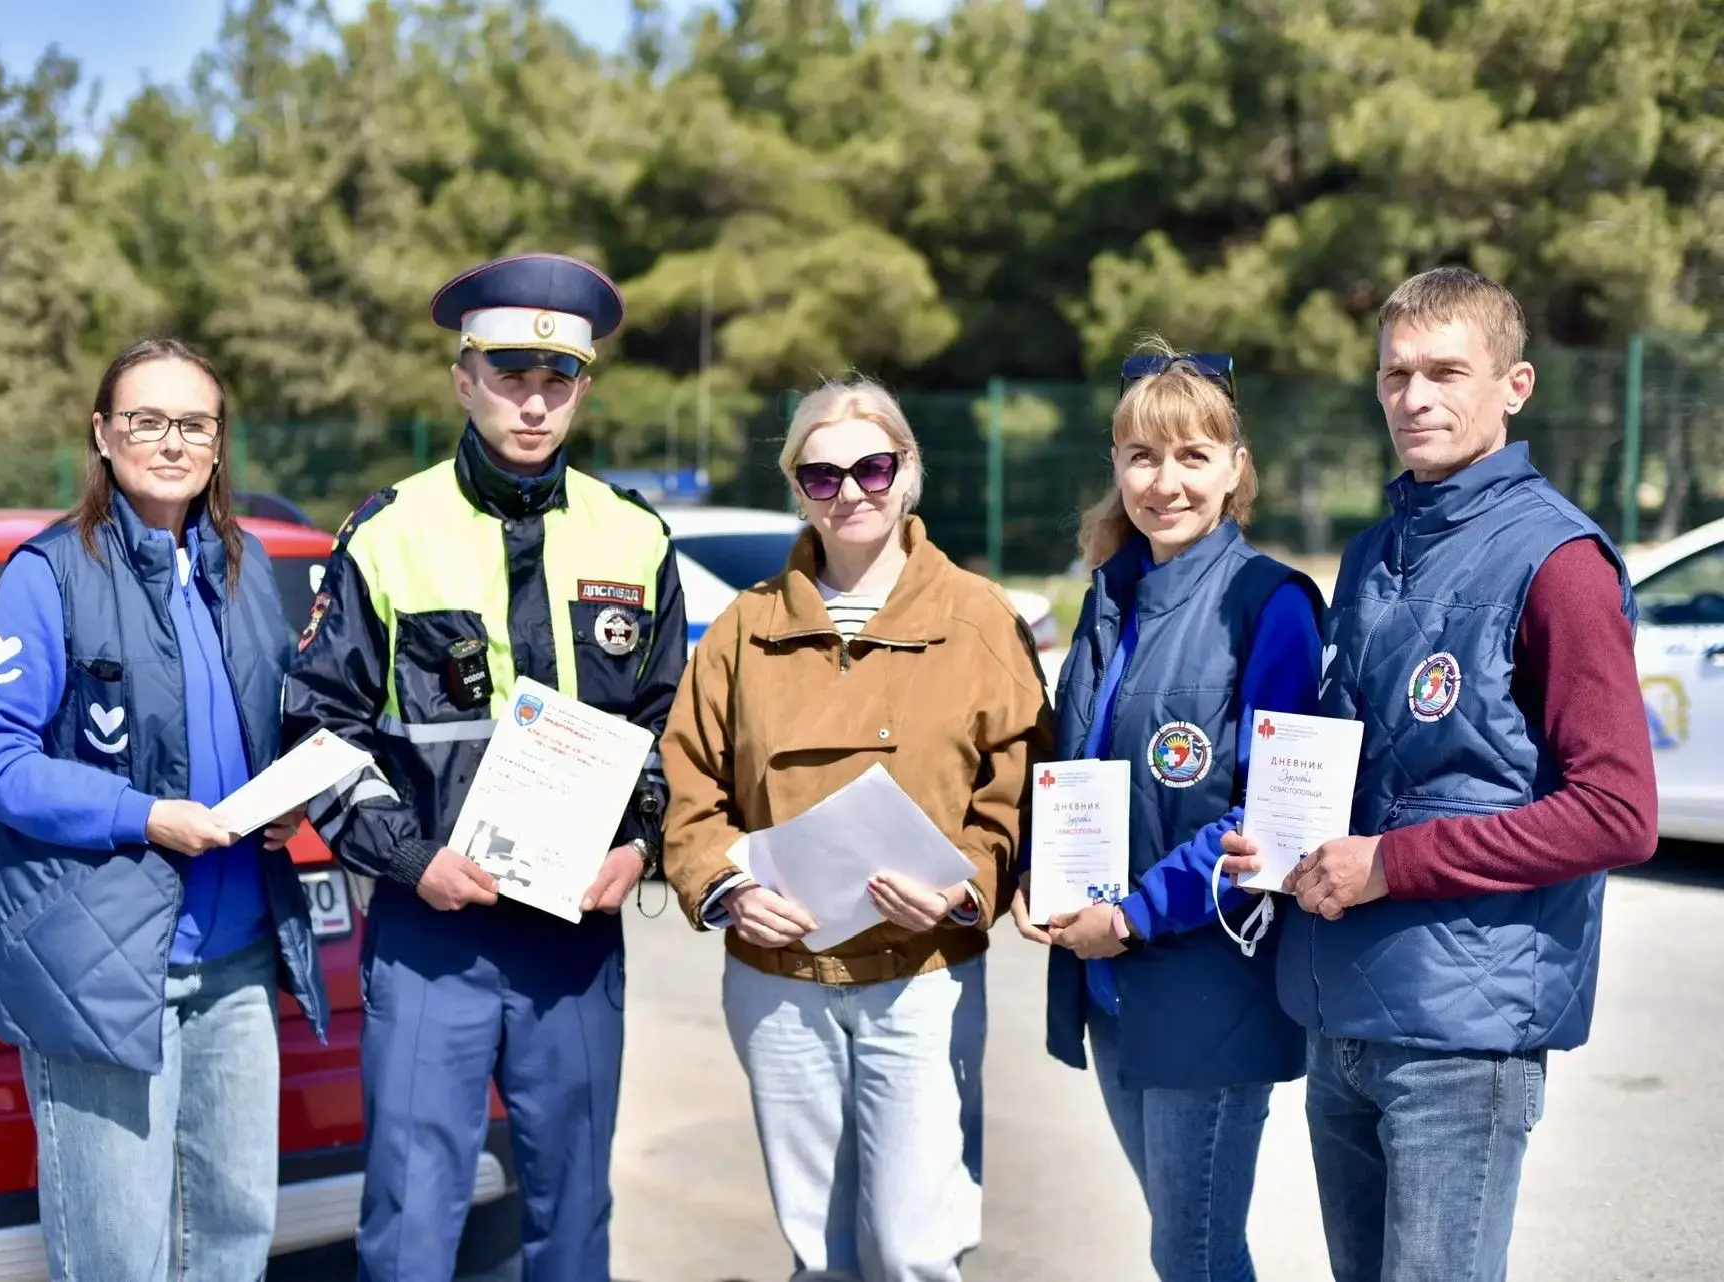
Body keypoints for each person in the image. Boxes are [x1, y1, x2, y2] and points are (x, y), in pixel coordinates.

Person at [1223, 265, 1659, 1282]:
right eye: (1394, 374)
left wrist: (1391, 863)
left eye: (1445, 372)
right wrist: (1281, 840)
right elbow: (1360, 767)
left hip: (1461, 1037)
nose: (1415, 398)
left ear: (1516, 385)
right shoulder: (1375, 551)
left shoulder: (1561, 563)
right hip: (1340, 1015)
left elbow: (1617, 814)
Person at [280, 252, 686, 1282]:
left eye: (559, 381)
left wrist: (640, 846)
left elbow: (668, 722)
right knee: (412, 1222)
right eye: (510, 374)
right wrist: (412, 860)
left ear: (584, 388)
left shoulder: (636, 536)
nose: (535, 402)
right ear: (463, 378)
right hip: (433, 936)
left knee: (573, 1219)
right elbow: (318, 731)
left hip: (574, 942)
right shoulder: (387, 534)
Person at [661, 377, 1054, 1282]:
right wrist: (726, 889)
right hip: (777, 986)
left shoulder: (980, 620)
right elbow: (689, 787)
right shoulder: (743, 627)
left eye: (873, 467)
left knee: (915, 1256)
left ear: (909, 471)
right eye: (823, 474)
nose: (851, 493)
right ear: (796, 485)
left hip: (921, 981)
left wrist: (966, 890)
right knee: (819, 1256)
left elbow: (1018, 790)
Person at [0, 337, 330, 1280]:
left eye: (193, 423)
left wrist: (285, 799)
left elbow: (268, 726)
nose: (172, 442)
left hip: (240, 963)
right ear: (103, 433)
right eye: (147, 420)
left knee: (235, 1241)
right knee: (121, 1256)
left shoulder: (241, 572)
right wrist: (143, 814)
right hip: (108, 970)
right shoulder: (49, 574)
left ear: (218, 443)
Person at [1016, 344, 1320, 1282]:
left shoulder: (1271, 606)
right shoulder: (1109, 595)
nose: (1165, 481)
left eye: (1194, 456)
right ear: (1115, 465)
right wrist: (1036, 867)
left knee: (1190, 1253)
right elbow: (1073, 769)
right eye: (1142, 455)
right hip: (1111, 988)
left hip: (1207, 987)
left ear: (1236, 468)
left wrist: (1135, 914)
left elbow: (1267, 814)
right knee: (1183, 1244)